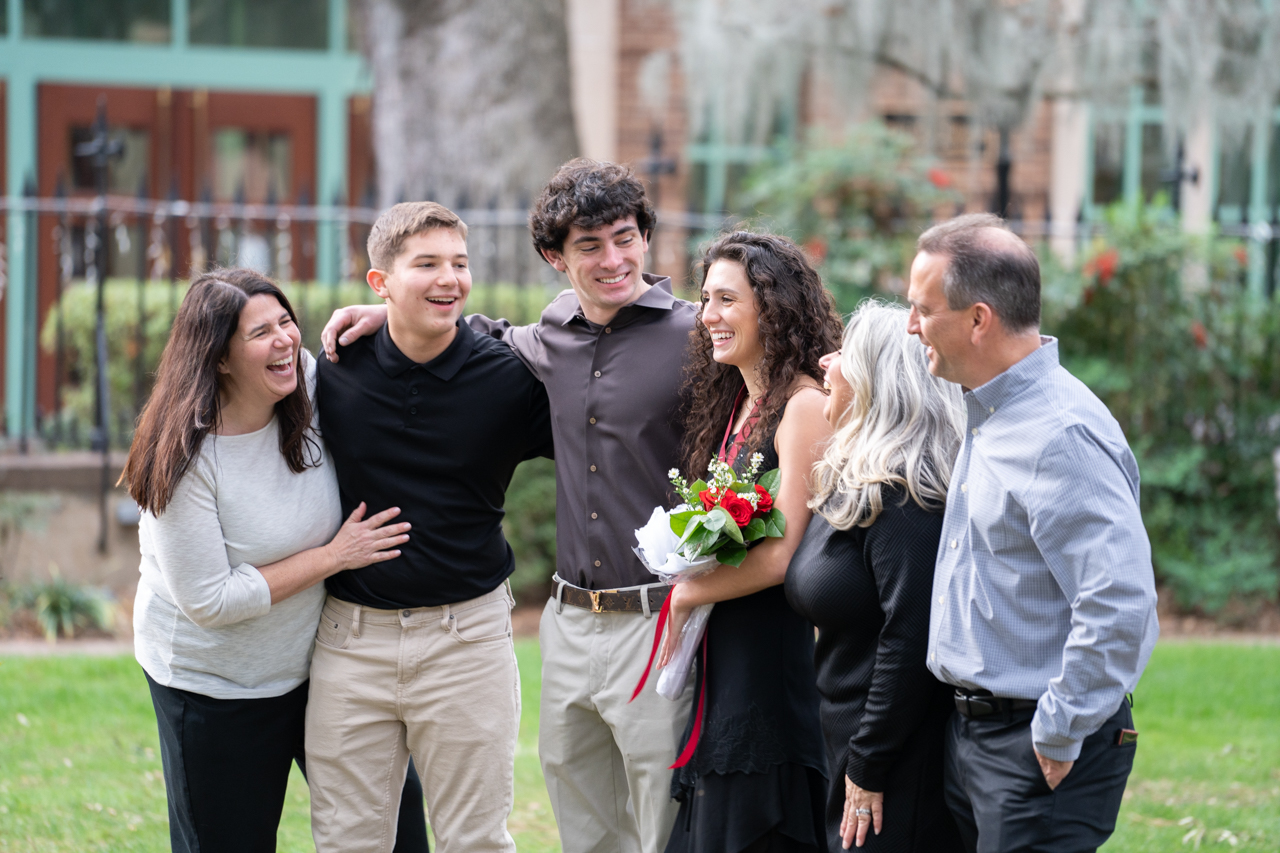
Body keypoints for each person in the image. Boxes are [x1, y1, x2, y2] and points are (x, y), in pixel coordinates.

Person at [321, 159, 699, 853]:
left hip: (661, 617)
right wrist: (394, 311)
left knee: (665, 825)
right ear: (557, 258)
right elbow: (473, 332)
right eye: (589, 245)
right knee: (584, 823)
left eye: (625, 238)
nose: (613, 259)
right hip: (567, 620)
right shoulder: (550, 332)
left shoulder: (697, 336)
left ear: (647, 236)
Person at [122, 269, 429, 853]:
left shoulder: (306, 386)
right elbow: (211, 600)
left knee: (395, 823)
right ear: (219, 358)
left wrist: (379, 317)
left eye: (287, 321)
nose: (286, 340)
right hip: (215, 687)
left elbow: (406, 346)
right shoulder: (185, 458)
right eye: (261, 332)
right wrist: (335, 556)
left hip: (319, 665)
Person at [305, 201, 554, 853]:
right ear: (379, 282)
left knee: (475, 840)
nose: (451, 277)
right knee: (346, 841)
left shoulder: (508, 378)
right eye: (428, 264)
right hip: (350, 641)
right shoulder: (334, 369)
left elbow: (598, 393)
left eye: (460, 263)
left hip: (465, 641)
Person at [907, 213, 1159, 853]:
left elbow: (1119, 602)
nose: (912, 327)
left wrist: (1057, 731)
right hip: (972, 740)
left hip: (1035, 747)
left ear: (978, 319)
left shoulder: (1059, 434)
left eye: (923, 309)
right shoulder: (989, 409)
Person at [658, 231, 841, 853]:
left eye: (726, 300)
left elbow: (784, 552)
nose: (707, 315)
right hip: (725, 655)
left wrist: (685, 595)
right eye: (705, 298)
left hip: (770, 661)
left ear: (775, 307)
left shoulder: (804, 407)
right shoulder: (741, 402)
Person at [785, 300, 966, 853]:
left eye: (844, 354)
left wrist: (869, 763)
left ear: (875, 380)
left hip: (892, 756)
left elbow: (909, 639)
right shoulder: (853, 480)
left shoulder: (904, 498)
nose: (825, 361)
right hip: (845, 736)